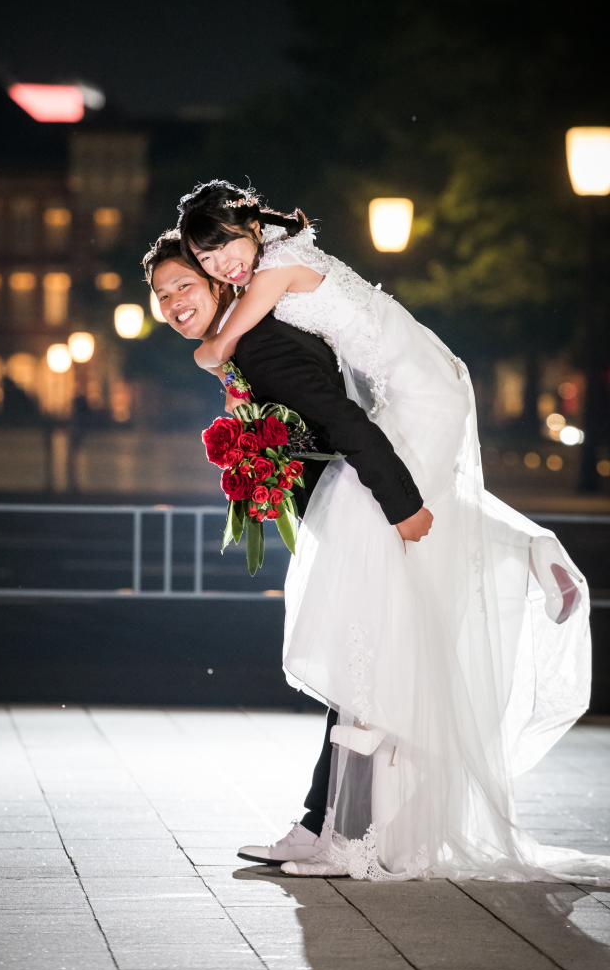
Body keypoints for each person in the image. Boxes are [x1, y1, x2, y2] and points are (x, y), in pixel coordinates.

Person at [169, 180, 606, 883]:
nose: (220, 266)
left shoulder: (277, 268)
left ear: (250, 229)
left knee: (381, 529)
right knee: (394, 545)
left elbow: (216, 349)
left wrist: (212, 349)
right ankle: (528, 552)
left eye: (219, 248)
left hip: (423, 390)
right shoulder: (282, 258)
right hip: (417, 381)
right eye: (204, 255)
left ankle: (349, 835)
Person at [145, 229, 434, 867]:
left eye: (183, 285)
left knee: (361, 674)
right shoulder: (247, 344)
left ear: (220, 283)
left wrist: (403, 508)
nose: (172, 303)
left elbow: (343, 421)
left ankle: (346, 838)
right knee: (357, 672)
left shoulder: (264, 345)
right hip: (351, 512)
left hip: (371, 511)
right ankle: (319, 826)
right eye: (161, 295)